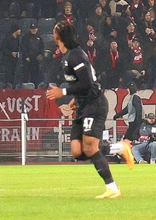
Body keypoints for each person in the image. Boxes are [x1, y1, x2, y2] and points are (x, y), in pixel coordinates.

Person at [46, 21, 133, 199]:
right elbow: (81, 84)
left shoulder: (76, 56)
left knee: (90, 147)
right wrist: (75, 100)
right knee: (78, 151)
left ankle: (112, 188)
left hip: (94, 104)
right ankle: (120, 147)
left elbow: (87, 83)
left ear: (59, 37)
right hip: (83, 104)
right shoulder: (68, 55)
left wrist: (63, 92)